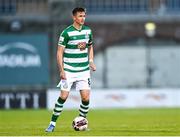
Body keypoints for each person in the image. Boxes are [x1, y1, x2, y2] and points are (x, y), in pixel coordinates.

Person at [45, 7, 96, 132]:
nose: (82, 18)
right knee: (63, 96)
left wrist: (91, 61)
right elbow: (59, 53)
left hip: (84, 70)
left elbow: (90, 47)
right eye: (80, 16)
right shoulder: (66, 33)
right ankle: (52, 124)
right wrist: (61, 70)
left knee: (85, 98)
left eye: (84, 16)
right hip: (69, 70)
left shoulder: (88, 31)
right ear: (74, 17)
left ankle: (81, 121)